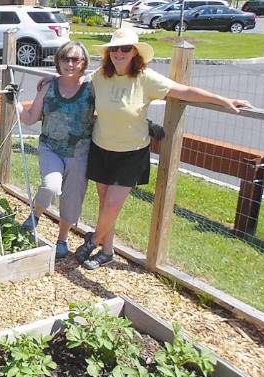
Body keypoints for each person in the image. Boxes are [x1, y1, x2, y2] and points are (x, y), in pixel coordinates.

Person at [74, 29, 252, 270]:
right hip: (101, 147)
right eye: (114, 49)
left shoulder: (145, 78)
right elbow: (77, 86)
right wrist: (50, 83)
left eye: (125, 48)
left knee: (113, 205)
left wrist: (223, 100)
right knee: (106, 204)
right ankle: (107, 251)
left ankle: (92, 242)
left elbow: (184, 91)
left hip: (131, 152)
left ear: (135, 52)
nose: (119, 53)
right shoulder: (100, 76)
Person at [17, 41, 95, 259]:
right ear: (58, 61)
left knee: (72, 198)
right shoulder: (48, 87)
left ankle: (62, 239)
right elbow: (31, 118)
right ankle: (36, 214)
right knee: (51, 186)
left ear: (83, 63)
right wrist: (15, 105)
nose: (70, 63)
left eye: (76, 59)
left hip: (80, 153)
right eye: (65, 59)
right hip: (50, 147)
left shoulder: (92, 87)